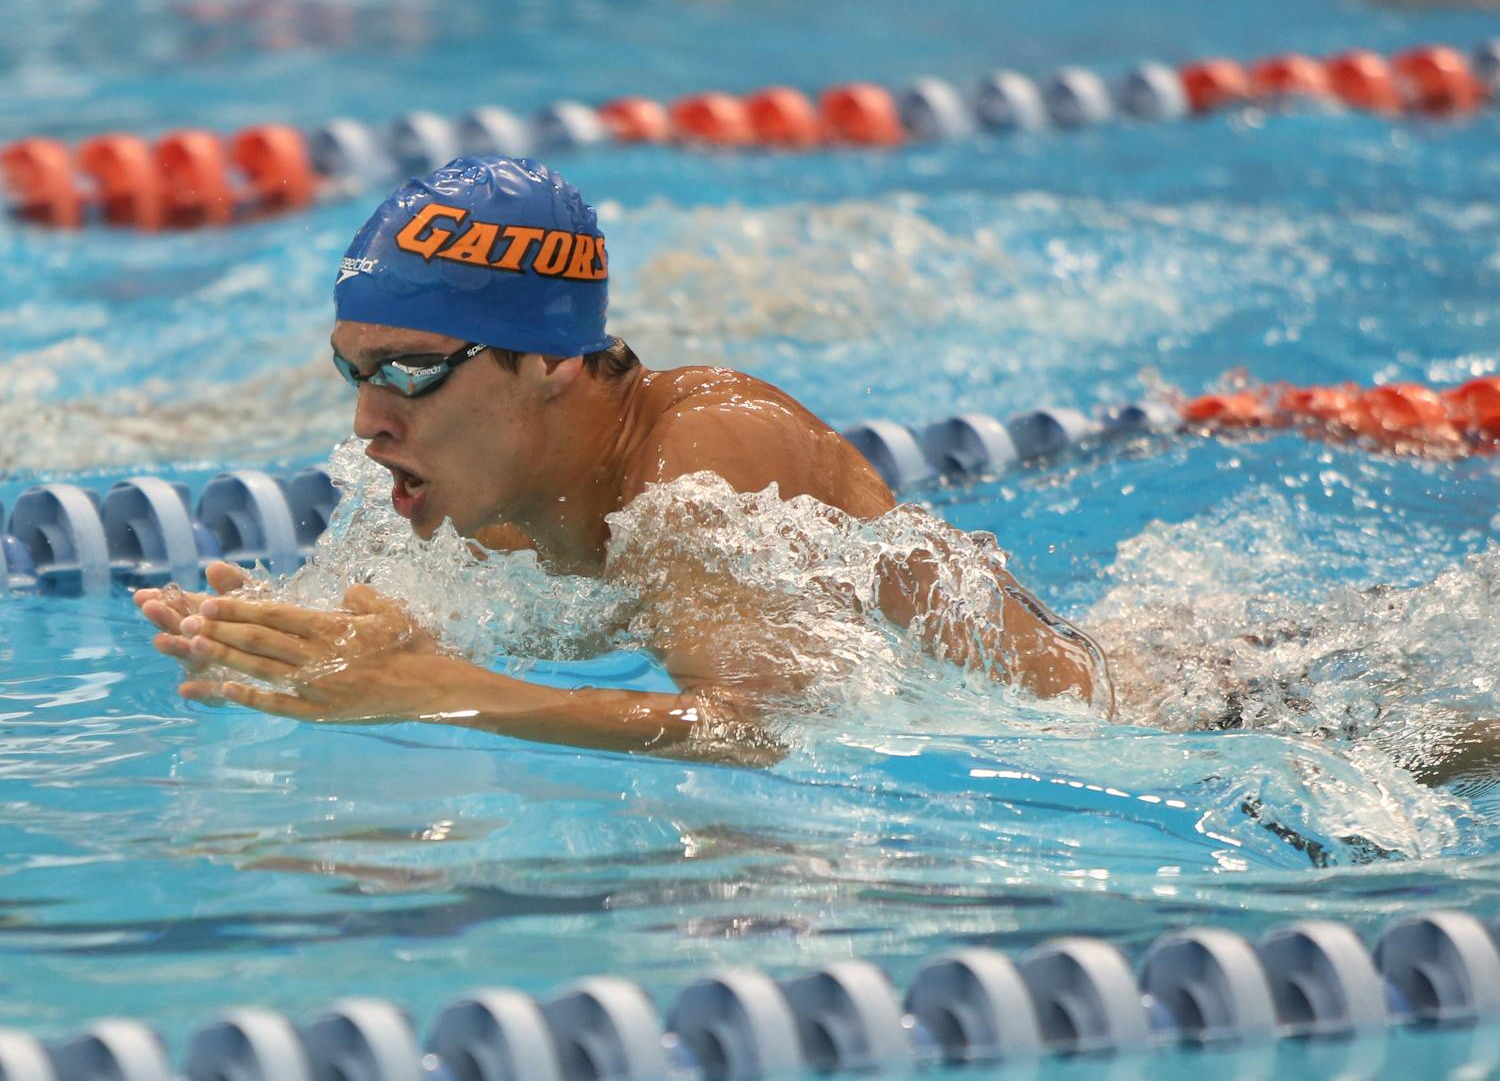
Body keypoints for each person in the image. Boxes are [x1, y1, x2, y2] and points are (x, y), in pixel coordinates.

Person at [134, 156, 1109, 758]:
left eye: (411, 371)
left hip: (1145, 729)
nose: (367, 422)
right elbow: (419, 635)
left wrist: (446, 696)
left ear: (551, 359)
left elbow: (760, 728)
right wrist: (291, 640)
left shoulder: (704, 460)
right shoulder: (495, 497)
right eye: (354, 372)